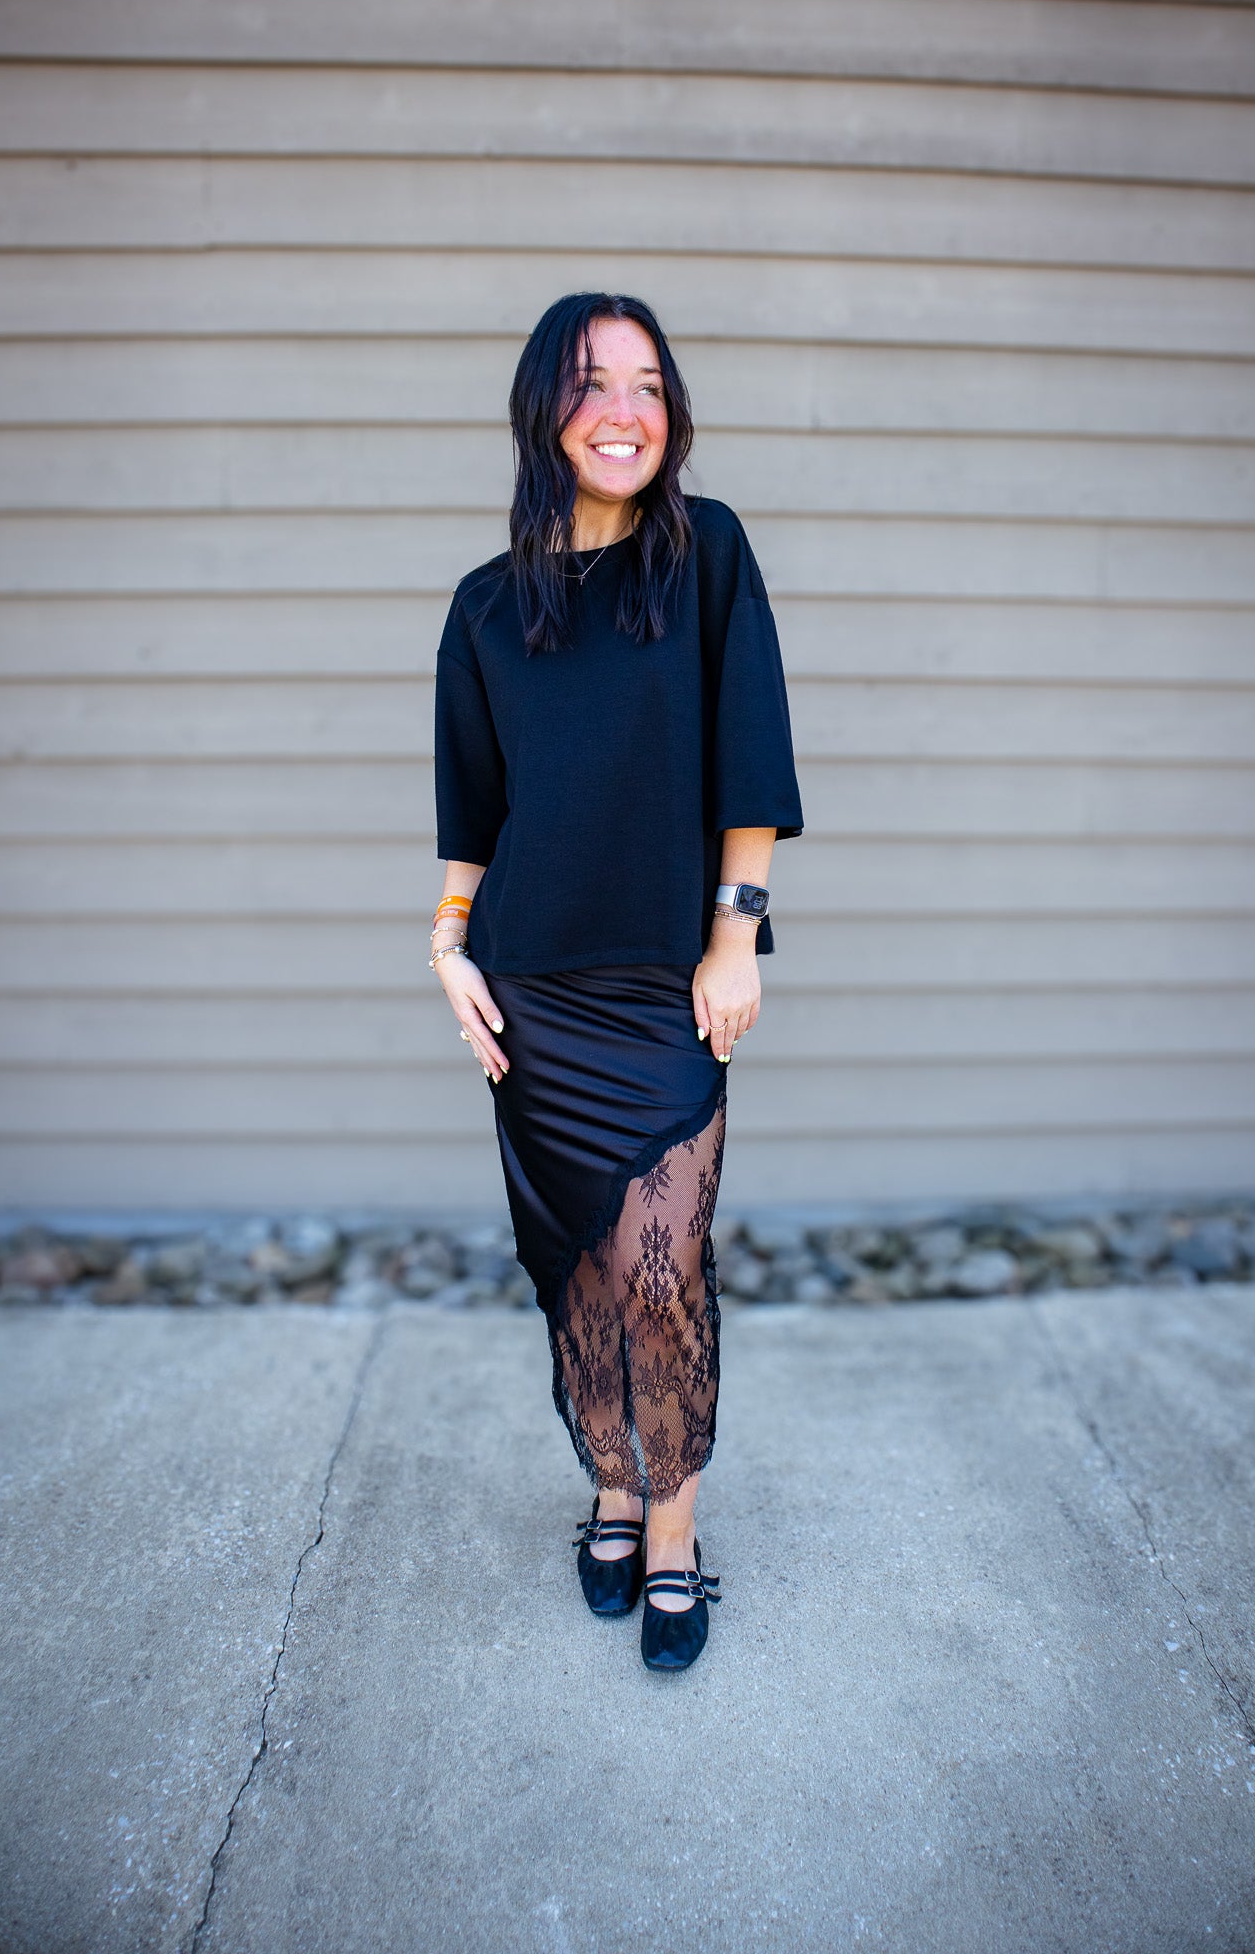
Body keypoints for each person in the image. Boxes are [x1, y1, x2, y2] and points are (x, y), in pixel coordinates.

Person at [431, 291, 803, 1672]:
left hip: (662, 987)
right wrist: (448, 951)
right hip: (529, 986)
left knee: (661, 1272)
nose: (625, 412)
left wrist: (732, 933)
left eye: (648, 386)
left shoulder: (703, 554)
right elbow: (472, 810)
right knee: (574, 1271)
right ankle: (604, 1482)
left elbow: (749, 752)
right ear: (546, 410)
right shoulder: (483, 605)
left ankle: (671, 1533)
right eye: (594, 384)